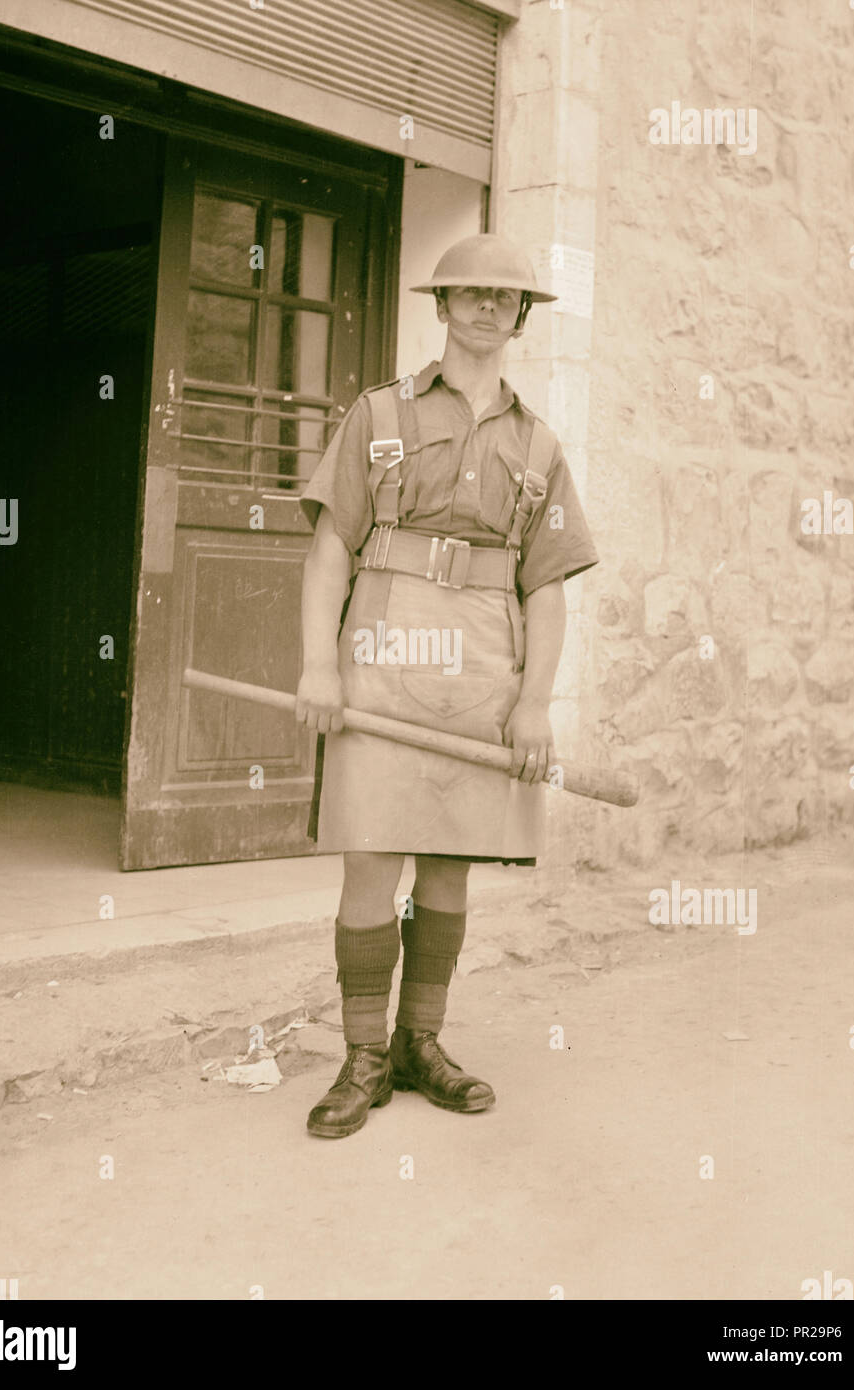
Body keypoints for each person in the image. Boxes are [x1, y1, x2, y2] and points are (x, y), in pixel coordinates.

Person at [296, 234, 599, 1138]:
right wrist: (317, 661)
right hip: (381, 657)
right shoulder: (377, 414)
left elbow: (543, 587)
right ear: (441, 307)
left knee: (450, 866)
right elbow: (327, 549)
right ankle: (360, 1058)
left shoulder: (538, 444)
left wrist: (534, 699)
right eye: (466, 294)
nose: (482, 309)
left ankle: (419, 1043)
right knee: (369, 857)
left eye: (501, 299)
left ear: (519, 319)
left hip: (480, 667)